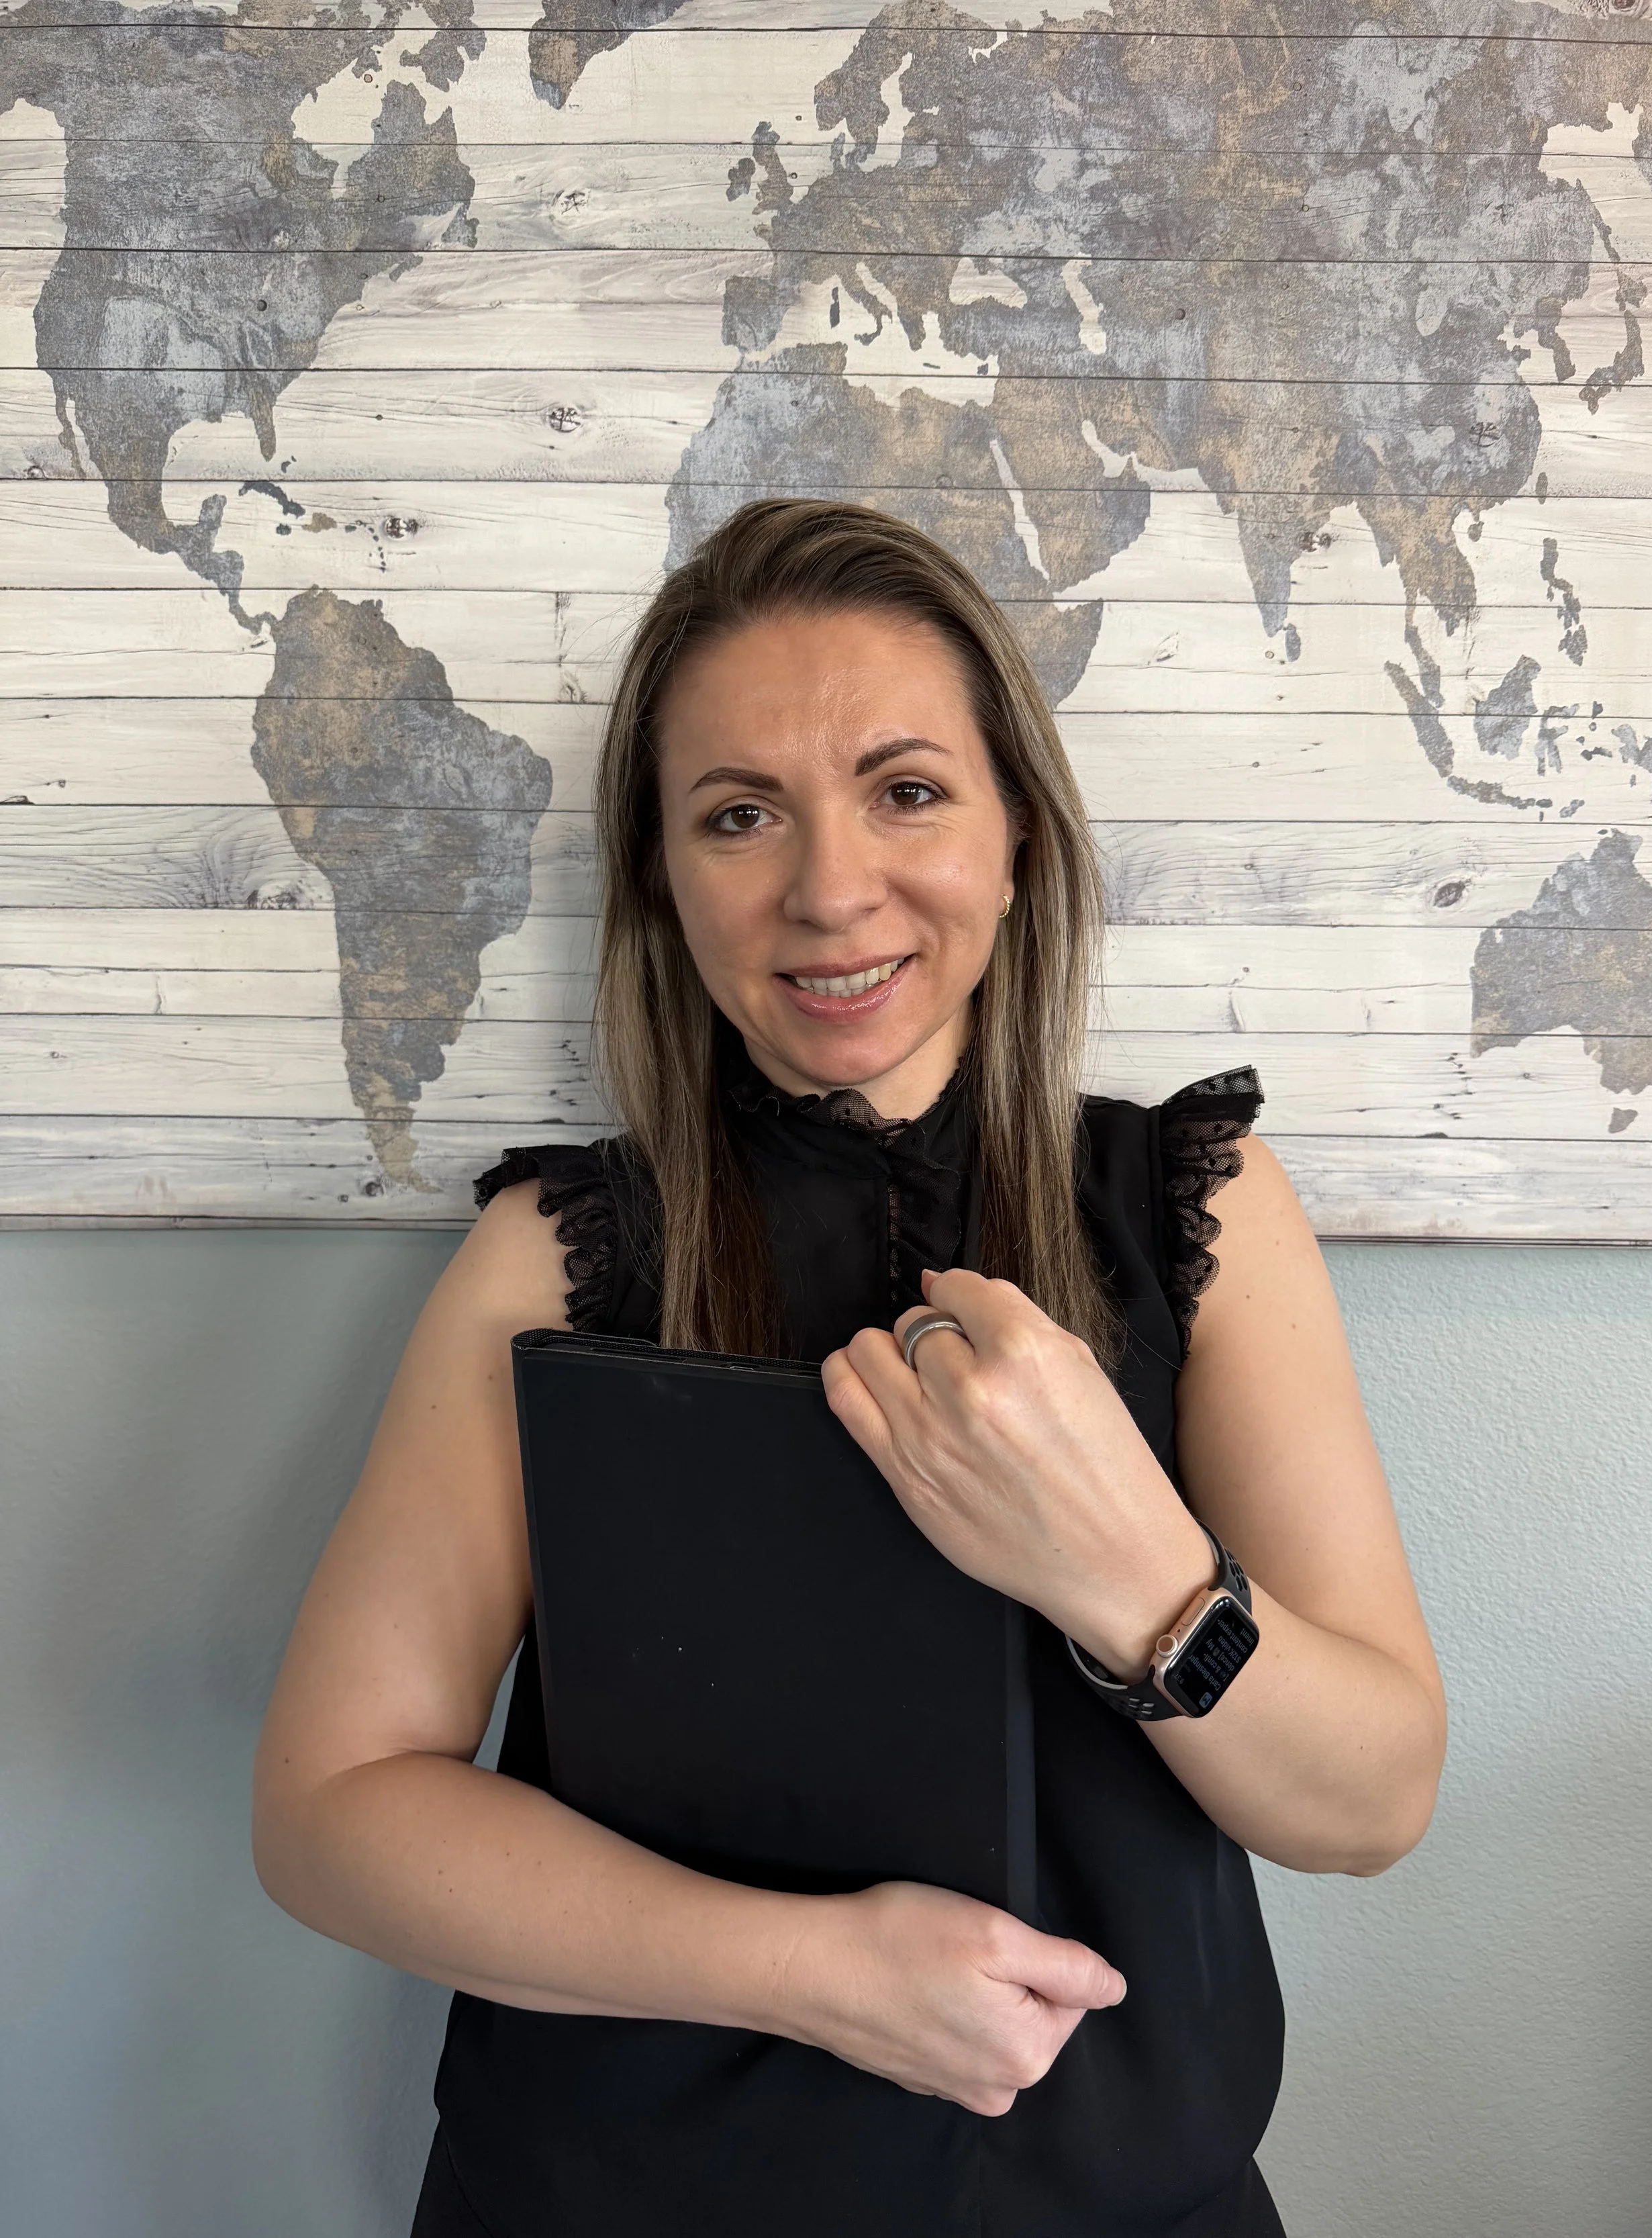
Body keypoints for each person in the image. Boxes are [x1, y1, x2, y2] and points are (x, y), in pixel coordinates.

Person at [253, 499, 1447, 2238]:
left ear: (1018, 830)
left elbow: (1369, 1800)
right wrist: (804, 1968)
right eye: (739, 814)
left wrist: (1122, 1571)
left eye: (905, 788)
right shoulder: (562, 1250)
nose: (828, 887)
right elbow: (332, 1809)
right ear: (662, 874)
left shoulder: (1196, 1207)